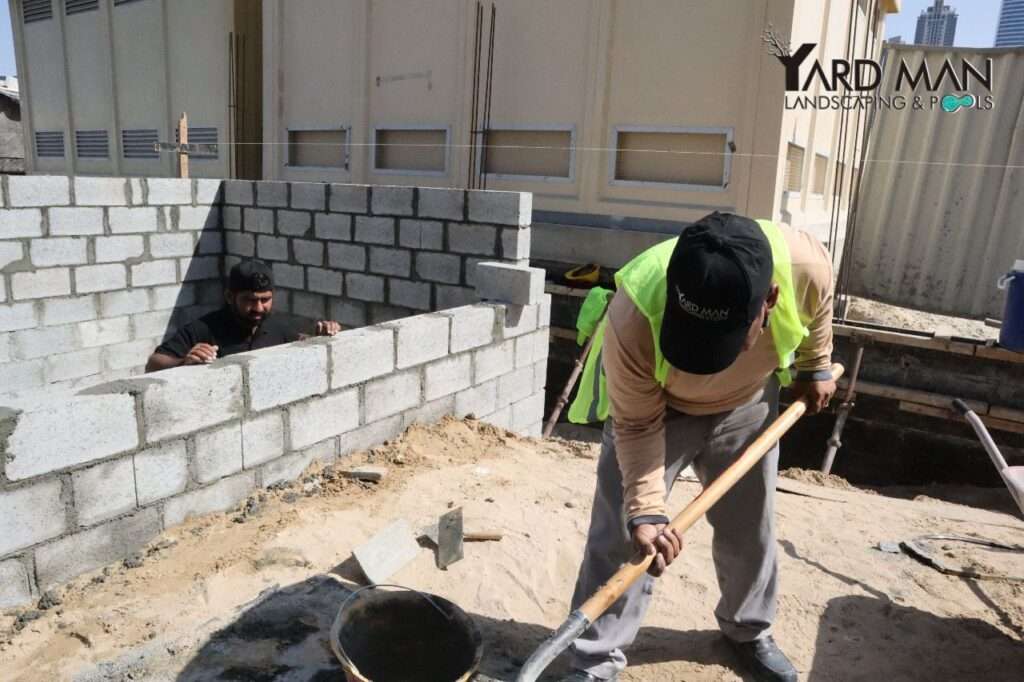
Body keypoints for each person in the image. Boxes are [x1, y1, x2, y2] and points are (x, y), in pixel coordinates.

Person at [563, 212, 836, 682]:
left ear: (768, 300)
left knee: (750, 526)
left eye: (720, 341)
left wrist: (816, 367)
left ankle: (747, 631)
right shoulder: (634, 310)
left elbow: (818, 312)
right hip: (657, 412)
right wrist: (646, 511)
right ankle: (593, 660)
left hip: (749, 403)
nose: (705, 360)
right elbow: (635, 422)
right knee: (620, 535)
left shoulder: (807, 266)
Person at [146, 259, 342, 372]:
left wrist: (322, 333)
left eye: (265, 300)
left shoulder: (277, 327)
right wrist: (184, 362)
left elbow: (300, 342)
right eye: (249, 300)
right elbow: (153, 363)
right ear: (230, 297)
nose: (258, 307)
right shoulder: (204, 328)